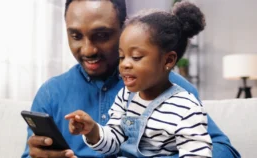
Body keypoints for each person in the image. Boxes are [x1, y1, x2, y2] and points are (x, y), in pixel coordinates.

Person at [22, 0, 240, 158]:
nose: (88, 50)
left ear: (123, 31)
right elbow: (113, 137)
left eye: (102, 35)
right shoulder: (50, 93)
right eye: (76, 36)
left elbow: (224, 150)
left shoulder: (177, 91)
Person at [65, 2, 212, 157]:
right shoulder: (125, 97)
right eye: (122, 57)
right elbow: (113, 143)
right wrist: (92, 130)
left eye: (136, 57)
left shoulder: (186, 107)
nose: (125, 64)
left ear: (168, 60)